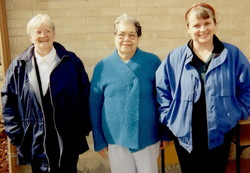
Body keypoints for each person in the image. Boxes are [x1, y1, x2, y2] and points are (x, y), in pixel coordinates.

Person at [156, 3, 250, 173]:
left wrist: (240, 111)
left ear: (215, 23)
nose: (202, 29)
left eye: (207, 23)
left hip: (221, 130)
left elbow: (247, 86)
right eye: (196, 25)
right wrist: (169, 116)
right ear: (188, 28)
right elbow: (162, 89)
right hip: (185, 131)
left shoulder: (232, 54)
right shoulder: (174, 57)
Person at [1, 14, 91, 173]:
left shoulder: (70, 62)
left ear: (54, 34)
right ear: (30, 36)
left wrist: (81, 129)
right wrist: (19, 138)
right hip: (35, 143)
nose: (44, 35)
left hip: (67, 140)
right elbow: (9, 106)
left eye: (48, 31)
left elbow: (86, 96)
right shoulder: (18, 67)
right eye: (38, 32)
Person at [89, 13, 167, 173]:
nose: (126, 39)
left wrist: (165, 132)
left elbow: (163, 100)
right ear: (114, 36)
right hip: (116, 138)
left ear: (139, 37)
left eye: (132, 35)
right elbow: (94, 105)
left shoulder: (152, 62)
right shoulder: (102, 67)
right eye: (121, 34)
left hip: (148, 136)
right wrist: (99, 139)